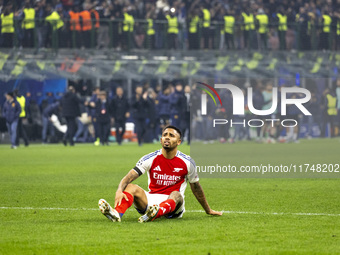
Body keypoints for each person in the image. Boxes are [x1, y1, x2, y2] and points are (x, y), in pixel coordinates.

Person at [98, 125, 222, 223]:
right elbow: (129, 177)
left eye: (171, 135)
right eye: (164, 135)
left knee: (177, 194)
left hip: (174, 205)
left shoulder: (187, 162)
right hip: (151, 202)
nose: (167, 137)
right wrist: (119, 190)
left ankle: (156, 213)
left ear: (178, 142)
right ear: (161, 139)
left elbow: (196, 188)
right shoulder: (150, 158)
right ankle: (116, 214)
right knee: (130, 187)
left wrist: (208, 210)